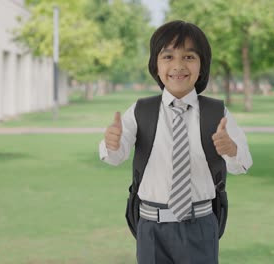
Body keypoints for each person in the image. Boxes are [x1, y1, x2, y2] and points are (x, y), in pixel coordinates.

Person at [99, 20, 253, 264]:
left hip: (200, 226)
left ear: (202, 66)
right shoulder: (141, 110)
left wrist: (231, 150)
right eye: (168, 56)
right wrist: (112, 143)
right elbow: (115, 157)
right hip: (151, 227)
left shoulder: (217, 112)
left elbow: (242, 164)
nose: (178, 65)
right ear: (156, 66)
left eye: (189, 57)